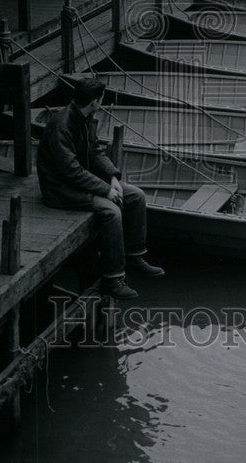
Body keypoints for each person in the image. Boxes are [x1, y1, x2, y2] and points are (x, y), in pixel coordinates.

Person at [37, 77, 164, 300]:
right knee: (111, 211)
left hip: (79, 180)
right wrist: (106, 190)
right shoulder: (61, 126)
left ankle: (135, 255)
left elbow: (95, 150)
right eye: (101, 99)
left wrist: (112, 177)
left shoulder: (84, 116)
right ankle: (113, 278)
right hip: (60, 189)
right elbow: (71, 171)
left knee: (136, 195)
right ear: (95, 101)